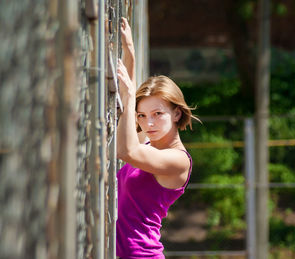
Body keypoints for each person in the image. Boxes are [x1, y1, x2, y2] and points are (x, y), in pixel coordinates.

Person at [116, 17, 198, 258]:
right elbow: (128, 106)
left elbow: (127, 152)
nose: (147, 123)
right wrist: (129, 52)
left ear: (176, 112)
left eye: (157, 114)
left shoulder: (179, 161)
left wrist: (131, 97)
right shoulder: (149, 142)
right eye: (142, 115)